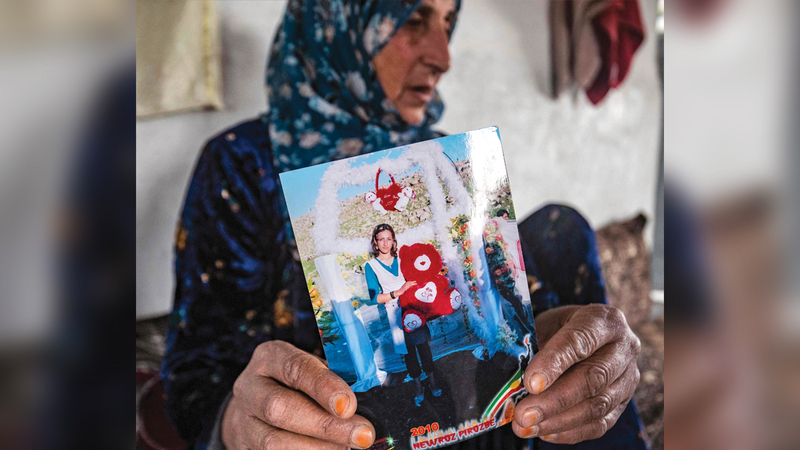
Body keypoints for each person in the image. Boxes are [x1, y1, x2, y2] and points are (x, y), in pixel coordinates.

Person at [161, 1, 646, 449]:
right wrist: (241, 424)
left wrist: (582, 358)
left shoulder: (442, 163)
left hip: (485, 426)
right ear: (337, 23)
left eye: (447, 22)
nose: (443, 57)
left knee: (563, 229)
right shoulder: (244, 165)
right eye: (412, 20)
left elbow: (514, 315)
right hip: (354, 434)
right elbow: (195, 382)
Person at [364, 224, 442, 407]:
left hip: (413, 308)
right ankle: (418, 387)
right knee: (408, 352)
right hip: (395, 313)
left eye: (388, 239)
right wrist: (397, 292)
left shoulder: (402, 259)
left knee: (423, 346)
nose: (385, 243)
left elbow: (418, 275)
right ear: (375, 242)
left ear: (393, 241)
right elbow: (374, 297)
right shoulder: (371, 266)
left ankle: (432, 381)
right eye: (381, 239)